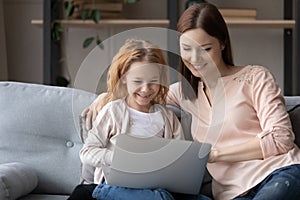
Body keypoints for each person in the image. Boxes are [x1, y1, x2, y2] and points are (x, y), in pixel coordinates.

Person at [81, 3, 300, 200]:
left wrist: (215, 155)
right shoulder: (184, 93)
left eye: (205, 49)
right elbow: (142, 93)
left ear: (222, 43)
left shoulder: (255, 77)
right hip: (232, 193)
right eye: (187, 49)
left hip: (279, 172)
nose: (195, 59)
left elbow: (281, 138)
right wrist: (104, 97)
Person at [68, 38, 209, 200]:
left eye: (153, 82)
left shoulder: (168, 118)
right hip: (118, 187)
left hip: (154, 187)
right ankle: (101, 193)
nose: (145, 89)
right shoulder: (113, 111)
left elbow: (180, 160)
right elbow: (86, 152)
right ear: (123, 78)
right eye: (137, 81)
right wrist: (119, 158)